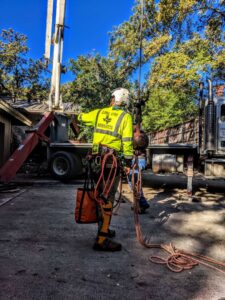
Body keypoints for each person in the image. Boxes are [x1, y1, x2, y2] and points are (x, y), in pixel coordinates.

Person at [78, 88, 133, 251]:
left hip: (95, 161)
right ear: (124, 102)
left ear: (112, 99)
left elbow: (82, 117)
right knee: (107, 198)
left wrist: (78, 114)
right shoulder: (125, 117)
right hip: (110, 163)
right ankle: (101, 240)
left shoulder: (99, 113)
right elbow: (128, 141)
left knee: (99, 195)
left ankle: (104, 228)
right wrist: (129, 163)